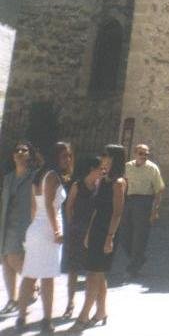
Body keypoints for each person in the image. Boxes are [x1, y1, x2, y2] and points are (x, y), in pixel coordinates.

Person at [16, 142, 72, 333]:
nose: (68, 159)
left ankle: (21, 317)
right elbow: (48, 204)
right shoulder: (52, 176)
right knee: (47, 277)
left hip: (37, 228)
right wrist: (56, 231)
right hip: (48, 230)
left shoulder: (39, 176)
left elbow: (34, 207)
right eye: (64, 156)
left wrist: (35, 227)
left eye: (69, 156)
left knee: (30, 275)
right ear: (55, 157)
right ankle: (47, 319)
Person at [72, 144, 126, 330]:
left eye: (106, 155)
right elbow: (96, 208)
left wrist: (110, 237)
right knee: (96, 272)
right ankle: (101, 311)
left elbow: (117, 213)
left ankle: (83, 316)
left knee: (93, 274)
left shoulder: (118, 182)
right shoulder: (103, 180)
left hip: (108, 230)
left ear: (114, 158)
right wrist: (88, 232)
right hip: (96, 229)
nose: (102, 157)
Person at [61, 156, 101, 320]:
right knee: (73, 269)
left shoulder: (100, 187)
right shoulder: (78, 185)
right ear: (92, 168)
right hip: (77, 231)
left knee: (93, 271)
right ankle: (70, 303)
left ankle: (94, 306)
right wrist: (72, 227)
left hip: (94, 232)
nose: (103, 171)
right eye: (100, 168)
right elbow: (69, 207)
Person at [0, 142, 37, 315]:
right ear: (13, 155)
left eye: (24, 150)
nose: (20, 153)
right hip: (7, 224)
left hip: (25, 224)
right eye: (17, 150)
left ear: (30, 155)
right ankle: (12, 299)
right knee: (6, 261)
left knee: (14, 258)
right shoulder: (8, 177)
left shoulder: (33, 177)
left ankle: (32, 283)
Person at [121, 144, 165, 277]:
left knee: (139, 237)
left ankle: (133, 267)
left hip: (144, 202)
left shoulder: (152, 168)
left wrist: (155, 210)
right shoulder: (127, 166)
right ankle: (138, 258)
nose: (144, 156)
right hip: (128, 201)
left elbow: (159, 190)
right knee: (124, 234)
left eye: (146, 154)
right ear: (135, 154)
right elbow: (123, 184)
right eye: (141, 153)